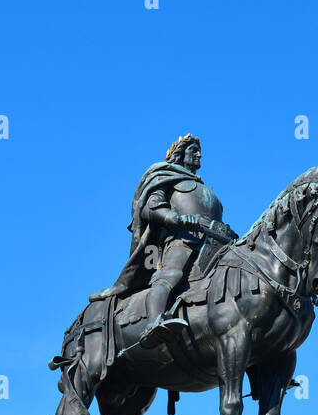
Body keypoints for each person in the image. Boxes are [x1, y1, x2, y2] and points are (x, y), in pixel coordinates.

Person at [92, 134, 236, 347]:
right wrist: (175, 217)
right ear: (180, 154)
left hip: (215, 241)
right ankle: (154, 323)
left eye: (199, 151)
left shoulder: (204, 188)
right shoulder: (165, 176)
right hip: (183, 238)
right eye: (193, 150)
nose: (199, 154)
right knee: (171, 274)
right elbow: (151, 207)